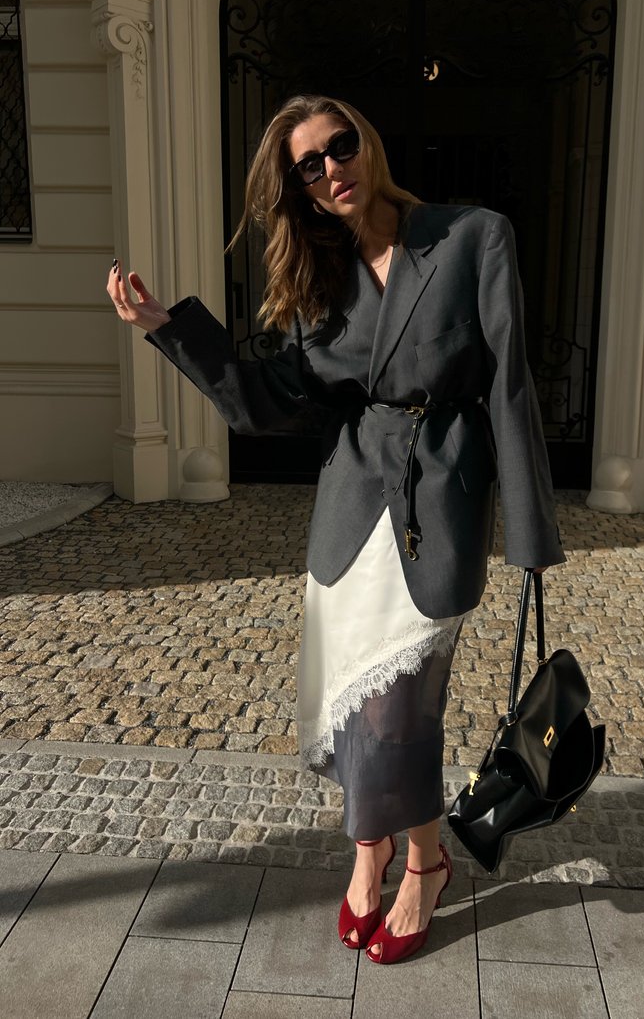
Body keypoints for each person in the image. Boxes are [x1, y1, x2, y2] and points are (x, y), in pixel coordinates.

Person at [107, 94, 565, 963]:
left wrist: (532, 535)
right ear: (300, 190)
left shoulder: (472, 236)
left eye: (338, 146)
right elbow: (272, 402)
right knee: (353, 701)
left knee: (400, 709)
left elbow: (509, 385)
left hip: (441, 497)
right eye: (307, 166)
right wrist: (170, 332)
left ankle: (424, 864)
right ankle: (373, 851)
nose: (329, 170)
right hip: (353, 504)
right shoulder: (322, 276)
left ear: (368, 141)